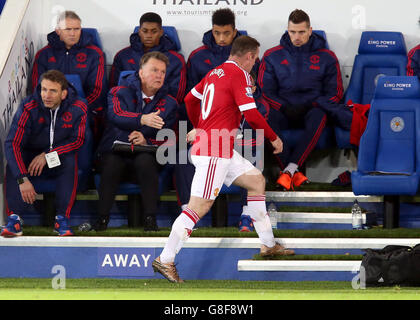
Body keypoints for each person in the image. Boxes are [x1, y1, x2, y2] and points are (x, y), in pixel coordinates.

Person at [152, 35, 294, 283]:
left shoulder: (214, 72)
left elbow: (189, 99)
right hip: (213, 151)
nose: (255, 64)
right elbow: (251, 114)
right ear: (249, 56)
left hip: (219, 147)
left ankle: (268, 244)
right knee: (199, 207)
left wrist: (200, 126)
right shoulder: (239, 74)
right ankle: (165, 259)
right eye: (255, 59)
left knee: (256, 181)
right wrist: (273, 138)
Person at [258, 9, 344, 190]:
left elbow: (335, 93)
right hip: (283, 110)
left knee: (319, 115)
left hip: (313, 108)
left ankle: (289, 170)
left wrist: (313, 104)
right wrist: (283, 106)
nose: (297, 37)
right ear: (287, 30)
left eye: (302, 32)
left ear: (310, 30)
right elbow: (265, 92)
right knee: (265, 116)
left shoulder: (327, 57)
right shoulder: (272, 55)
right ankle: (293, 172)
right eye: (292, 32)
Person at [93, 51, 178, 232]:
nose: (159, 75)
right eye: (154, 70)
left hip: (147, 155)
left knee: (145, 161)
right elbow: (116, 115)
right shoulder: (118, 92)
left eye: (163, 72)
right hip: (114, 152)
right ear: (140, 72)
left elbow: (169, 135)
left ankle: (150, 220)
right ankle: (101, 220)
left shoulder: (170, 103)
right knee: (113, 163)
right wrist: (142, 119)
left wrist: (146, 140)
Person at [2, 70, 88, 237]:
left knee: (70, 161)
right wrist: (22, 178)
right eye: (43, 89)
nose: (46, 95)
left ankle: (61, 219)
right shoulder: (29, 106)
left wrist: (48, 155)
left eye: (52, 91)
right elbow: (12, 143)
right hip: (30, 158)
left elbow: (77, 140)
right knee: (14, 163)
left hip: (56, 157)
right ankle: (14, 220)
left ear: (63, 94)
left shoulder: (79, 107)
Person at [31, 11, 107, 143]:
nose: (73, 33)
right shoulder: (43, 54)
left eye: (76, 29)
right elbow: (37, 89)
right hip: (50, 110)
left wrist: (75, 109)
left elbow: (97, 91)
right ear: (58, 31)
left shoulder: (95, 54)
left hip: (84, 110)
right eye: (68, 29)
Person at [109, 12, 186, 105]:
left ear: (161, 32)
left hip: (162, 110)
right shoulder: (122, 55)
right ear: (139, 32)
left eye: (154, 31)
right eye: (145, 31)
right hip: (127, 108)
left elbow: (177, 95)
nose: (149, 35)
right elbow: (113, 89)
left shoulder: (176, 59)